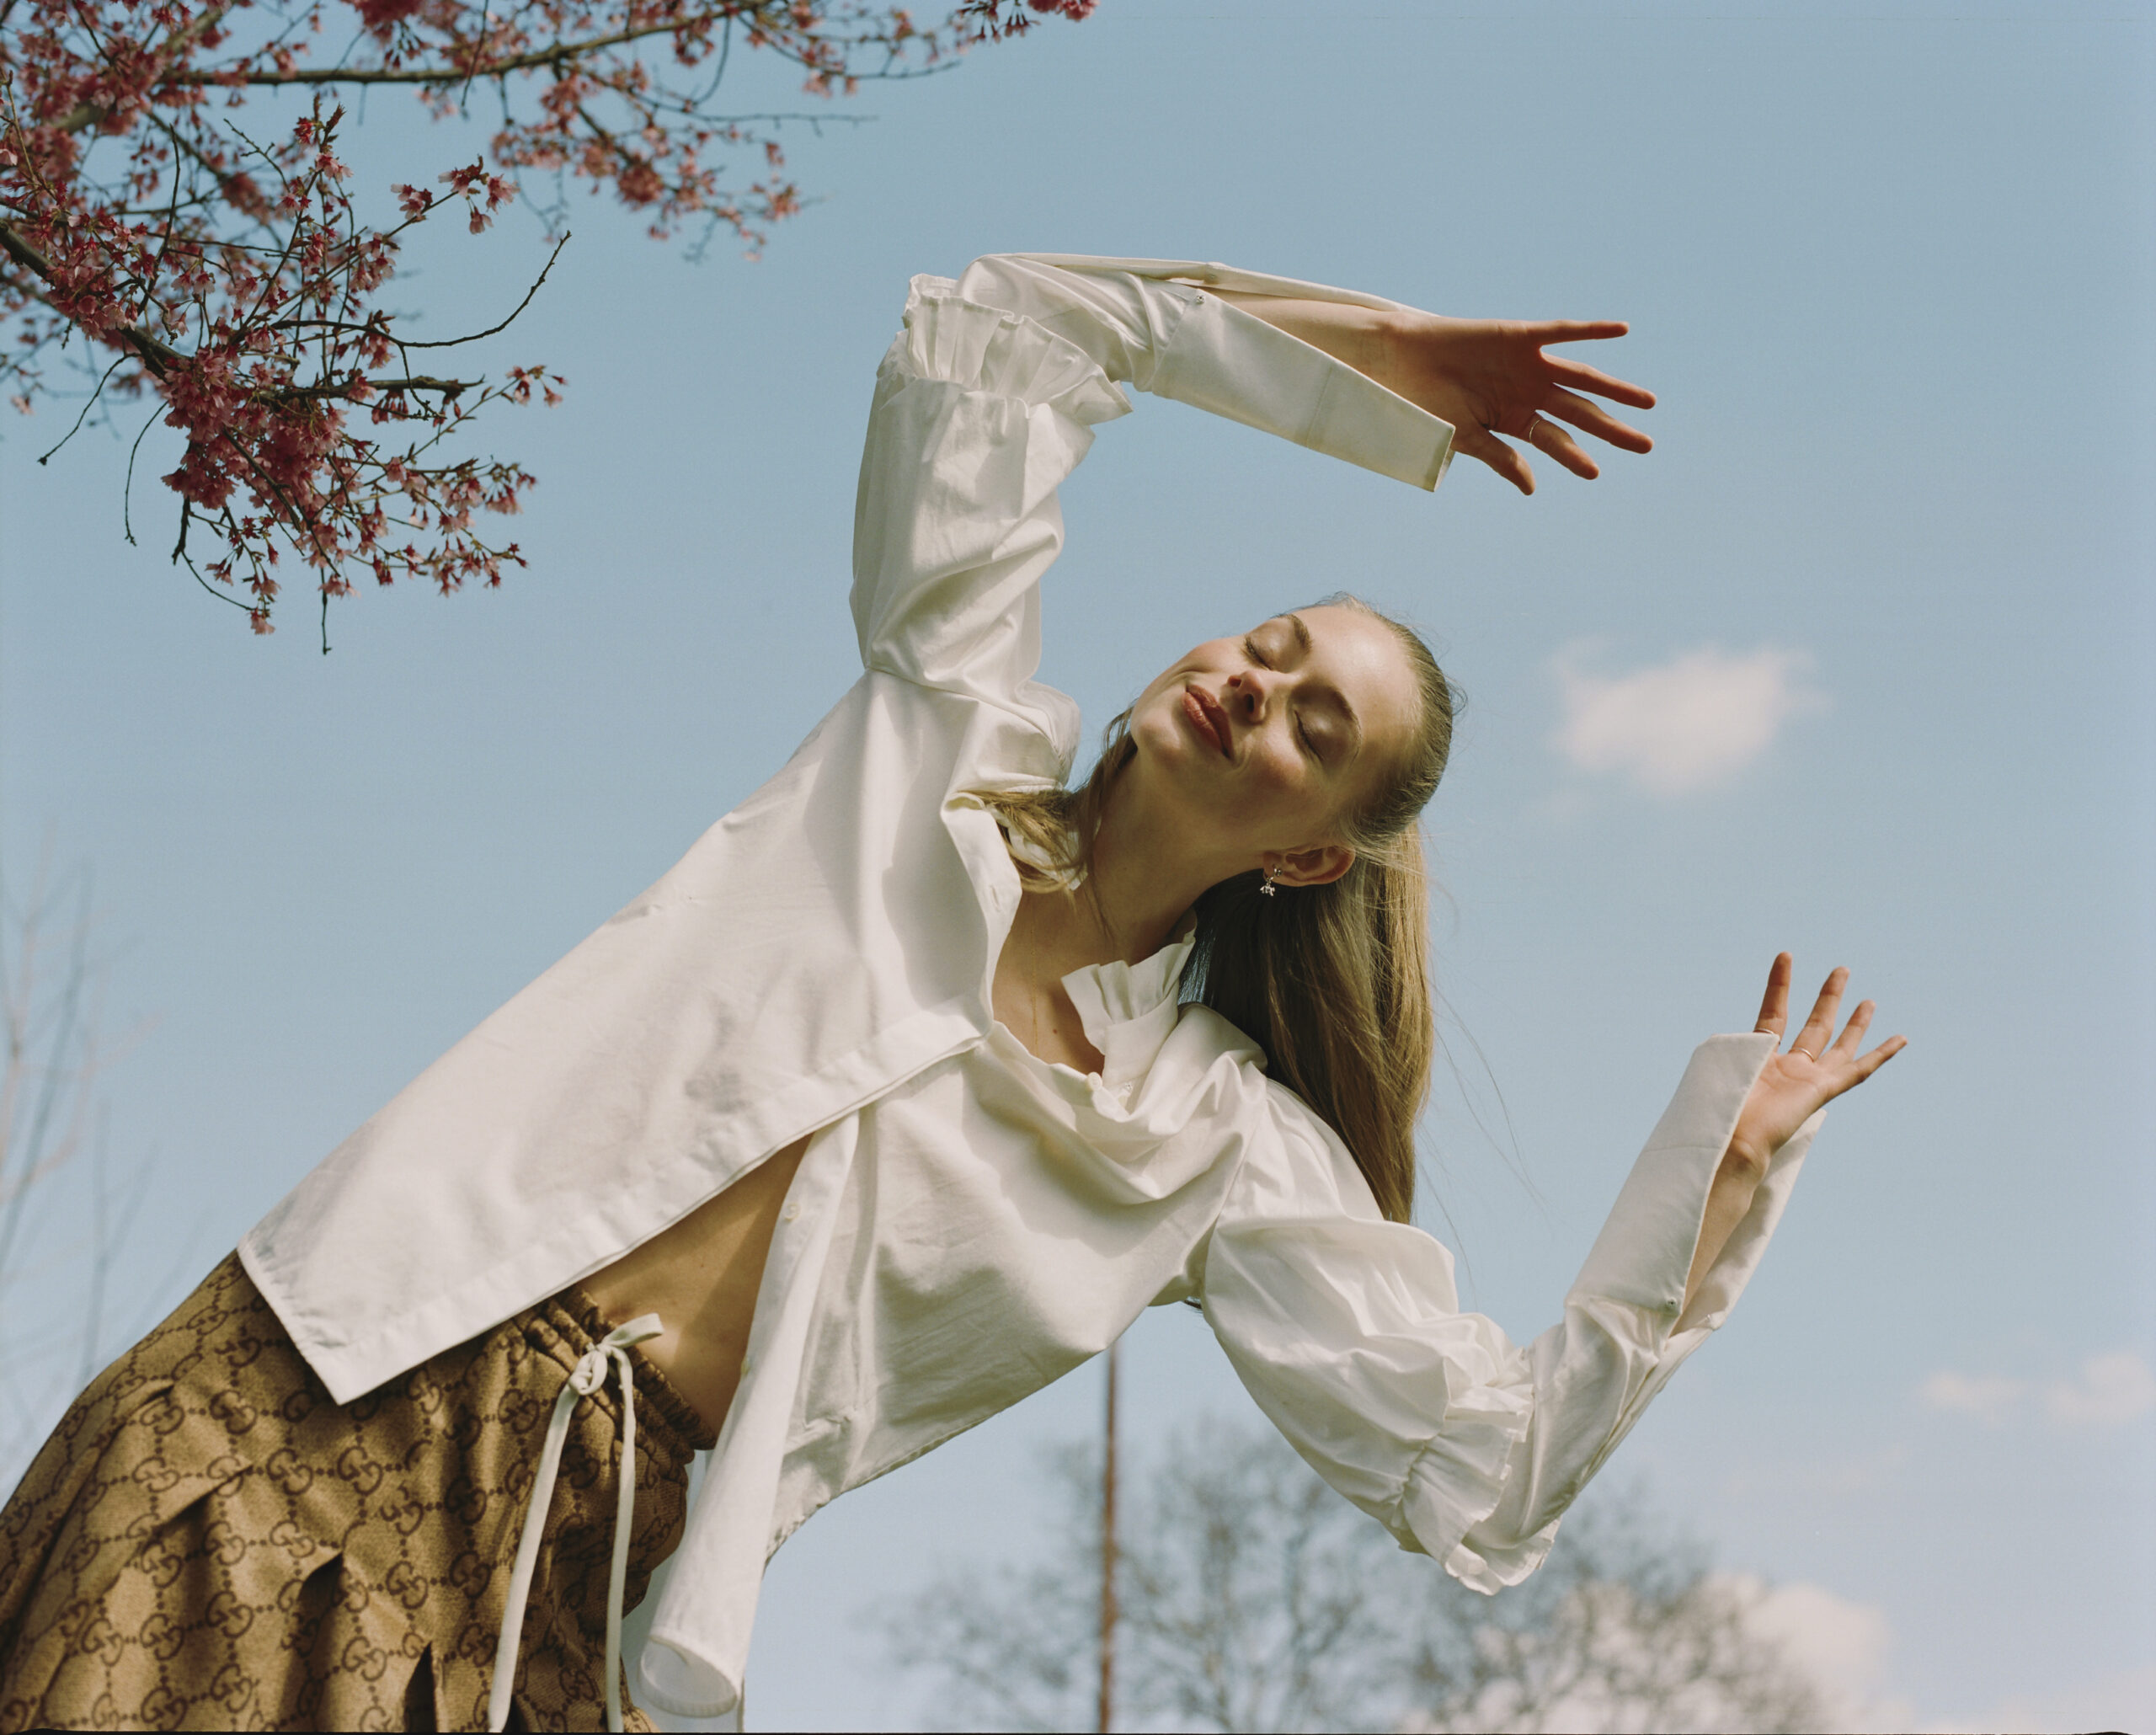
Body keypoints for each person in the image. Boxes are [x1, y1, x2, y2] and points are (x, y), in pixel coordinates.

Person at [0, 254, 1902, 1732]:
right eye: (1267, 644)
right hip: (327, 1373)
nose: (1254, 687)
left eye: (1313, 721)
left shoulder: (1204, 1144)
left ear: (1310, 850)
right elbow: (1003, 330)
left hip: (582, 1578)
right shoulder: (937, 732)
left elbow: (1477, 1475)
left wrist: (1703, 1193)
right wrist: (1359, 363)